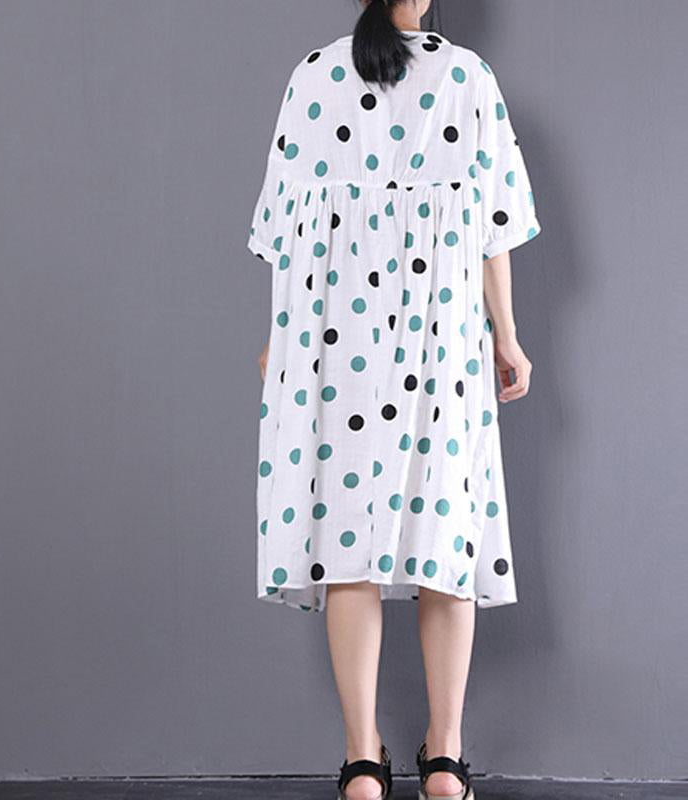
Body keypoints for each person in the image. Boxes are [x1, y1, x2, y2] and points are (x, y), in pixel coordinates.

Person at [247, 1, 541, 797]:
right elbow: (493, 224)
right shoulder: (468, 76)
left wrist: (280, 338)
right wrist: (506, 334)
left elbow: (286, 230)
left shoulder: (314, 75)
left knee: (348, 536)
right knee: (445, 528)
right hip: (440, 328)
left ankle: (361, 763)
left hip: (334, 331)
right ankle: (443, 759)